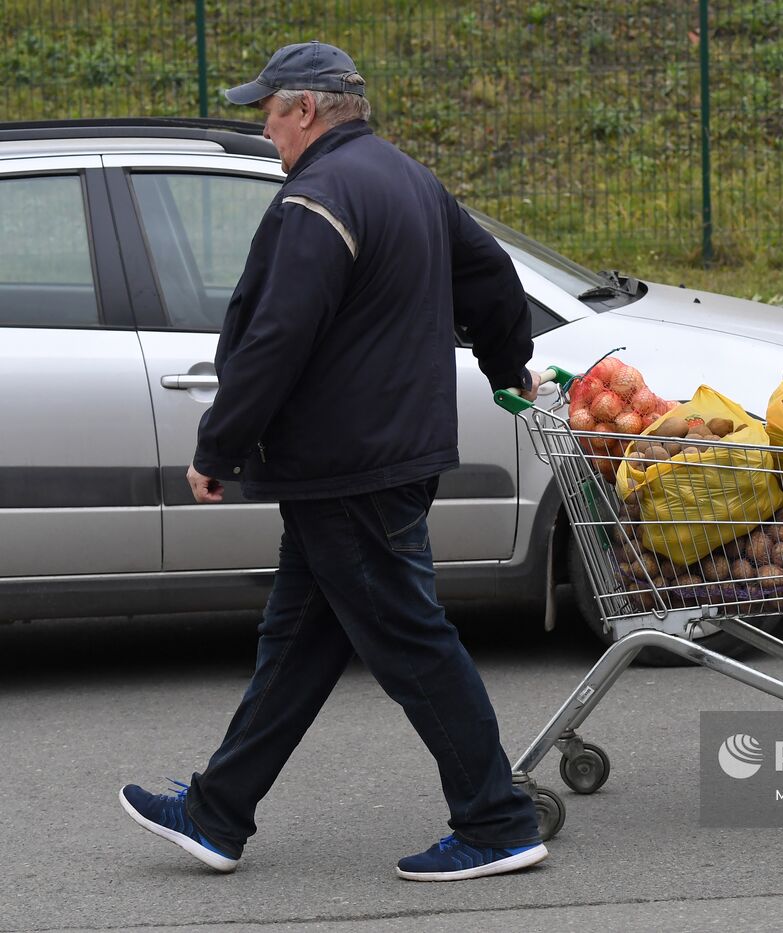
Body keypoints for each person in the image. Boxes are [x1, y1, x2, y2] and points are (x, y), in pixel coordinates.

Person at [118, 41, 548, 879]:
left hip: (350, 465)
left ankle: (497, 820)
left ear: (306, 110)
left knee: (410, 642)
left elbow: (278, 339)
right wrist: (506, 366)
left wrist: (219, 445)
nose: (266, 130)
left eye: (269, 112)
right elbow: (493, 277)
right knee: (299, 641)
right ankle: (217, 812)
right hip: (384, 454)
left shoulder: (316, 198)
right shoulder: (408, 179)